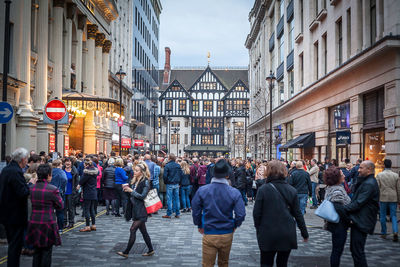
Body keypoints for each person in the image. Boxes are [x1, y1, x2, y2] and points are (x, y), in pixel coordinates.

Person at [253, 160, 309, 267]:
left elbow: (257, 213)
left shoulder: (263, 189)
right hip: (286, 231)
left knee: (266, 262)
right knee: (282, 263)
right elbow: (298, 214)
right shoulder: (291, 190)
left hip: (267, 231)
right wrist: (304, 233)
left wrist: (259, 229)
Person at [192, 159, 246, 267]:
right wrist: (234, 224)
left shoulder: (203, 190)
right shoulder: (234, 192)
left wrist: (199, 224)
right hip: (227, 232)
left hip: (210, 231)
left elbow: (196, 210)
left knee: (207, 264)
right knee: (224, 263)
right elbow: (241, 214)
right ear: (227, 175)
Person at [336, 160, 379, 266]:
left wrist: (342, 209)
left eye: (361, 168)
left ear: (369, 169)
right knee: (355, 250)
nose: (358, 170)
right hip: (359, 220)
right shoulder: (365, 181)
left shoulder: (369, 184)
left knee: (358, 251)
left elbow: (358, 202)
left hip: (362, 221)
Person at [25, 164, 63, 267]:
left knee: (36, 251)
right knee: (46, 252)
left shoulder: (31, 188)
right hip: (48, 222)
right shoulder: (53, 189)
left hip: (34, 221)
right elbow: (60, 206)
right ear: (48, 175)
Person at [0, 148, 30, 267]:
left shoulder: (6, 169)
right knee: (15, 246)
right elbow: (22, 192)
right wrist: (30, 184)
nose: (27, 161)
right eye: (26, 159)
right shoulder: (15, 171)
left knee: (13, 243)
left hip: (7, 213)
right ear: (22, 159)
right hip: (15, 215)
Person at [117, 163, 154, 258]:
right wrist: (126, 189)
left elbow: (142, 196)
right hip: (135, 209)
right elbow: (132, 195)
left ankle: (126, 252)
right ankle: (151, 250)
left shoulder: (145, 182)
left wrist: (131, 191)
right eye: (135, 170)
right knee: (144, 231)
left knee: (132, 229)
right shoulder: (134, 181)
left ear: (142, 172)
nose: (134, 172)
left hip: (142, 210)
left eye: (137, 170)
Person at [324, 167, 351, 267]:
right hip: (339, 224)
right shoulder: (337, 190)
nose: (344, 175)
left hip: (336, 224)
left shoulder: (332, 187)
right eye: (341, 174)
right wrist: (349, 220)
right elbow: (339, 208)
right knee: (337, 251)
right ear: (336, 177)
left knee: (336, 250)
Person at [376, 159, 400, 242]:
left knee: (382, 215)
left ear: (384, 165)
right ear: (391, 165)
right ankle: (395, 231)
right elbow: (399, 189)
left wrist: (376, 198)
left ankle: (383, 233)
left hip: (383, 197)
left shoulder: (379, 175)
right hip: (393, 197)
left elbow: (377, 188)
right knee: (393, 215)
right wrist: (399, 200)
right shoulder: (396, 175)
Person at [78, 158, 98, 232]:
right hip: (94, 192)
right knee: (92, 209)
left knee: (86, 209)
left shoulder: (86, 173)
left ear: (86, 165)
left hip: (87, 192)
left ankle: (87, 226)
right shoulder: (95, 172)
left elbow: (81, 181)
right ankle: (93, 225)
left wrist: (79, 185)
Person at [162, 154, 183, 219]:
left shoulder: (167, 166)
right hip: (176, 183)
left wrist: (166, 182)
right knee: (176, 198)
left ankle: (169, 213)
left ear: (169, 158)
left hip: (170, 183)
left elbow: (165, 176)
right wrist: (180, 182)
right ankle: (177, 213)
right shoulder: (178, 165)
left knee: (169, 199)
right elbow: (181, 174)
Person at [50, 159, 67, 232]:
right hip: (58, 192)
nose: (62, 165)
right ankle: (60, 228)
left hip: (49, 191)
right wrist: (62, 189)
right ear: (58, 165)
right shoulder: (61, 172)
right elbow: (64, 179)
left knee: (50, 211)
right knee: (60, 211)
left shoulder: (50, 171)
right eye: (61, 164)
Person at [63, 157, 79, 229]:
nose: (67, 163)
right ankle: (64, 222)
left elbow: (77, 182)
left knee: (70, 208)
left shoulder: (74, 171)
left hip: (71, 192)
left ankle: (71, 222)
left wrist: (76, 190)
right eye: (66, 161)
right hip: (63, 192)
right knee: (63, 208)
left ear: (71, 163)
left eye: (69, 162)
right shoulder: (62, 170)